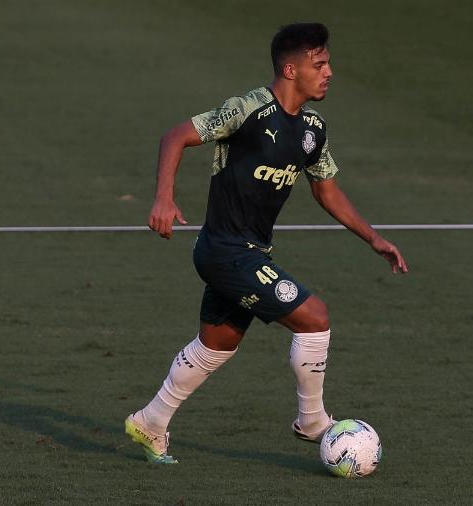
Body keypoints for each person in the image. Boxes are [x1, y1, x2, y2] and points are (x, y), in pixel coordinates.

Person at [124, 22, 409, 464]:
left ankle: (151, 420)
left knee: (216, 345)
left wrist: (373, 239)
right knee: (315, 317)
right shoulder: (248, 109)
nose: (329, 71)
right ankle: (312, 421)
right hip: (225, 250)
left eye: (328, 62)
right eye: (320, 64)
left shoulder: (313, 129)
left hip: (249, 252)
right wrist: (164, 196)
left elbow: (326, 190)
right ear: (290, 70)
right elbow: (176, 135)